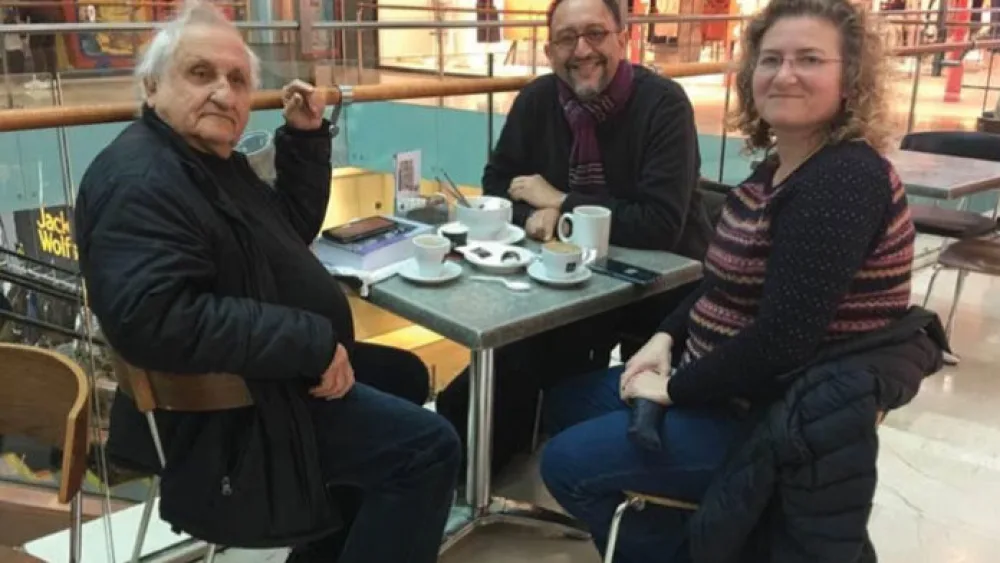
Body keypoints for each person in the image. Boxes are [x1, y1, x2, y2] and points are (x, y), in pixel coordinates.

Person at [539, 0, 943, 561]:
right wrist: (665, 337)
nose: (785, 74)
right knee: (564, 403)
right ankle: (701, 520)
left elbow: (782, 343)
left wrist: (674, 389)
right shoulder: (781, 167)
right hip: (717, 385)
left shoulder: (845, 180)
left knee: (566, 464)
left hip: (767, 415)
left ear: (850, 80)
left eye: (809, 59)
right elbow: (720, 279)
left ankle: (697, 545)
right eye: (770, 59)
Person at [73, 3, 459, 562]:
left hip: (259, 381)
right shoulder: (142, 181)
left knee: (404, 374)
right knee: (429, 450)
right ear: (152, 86)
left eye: (238, 80)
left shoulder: (200, 160)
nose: (225, 94)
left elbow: (281, 234)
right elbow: (156, 320)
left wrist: (304, 140)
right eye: (201, 73)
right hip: (229, 418)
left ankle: (327, 547)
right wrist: (309, 341)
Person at [435, 0, 713, 475]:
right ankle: (474, 477)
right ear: (549, 51)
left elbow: (658, 223)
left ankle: (578, 454)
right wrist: (535, 214)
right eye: (567, 38)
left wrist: (561, 201)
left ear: (623, 38)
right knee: (481, 396)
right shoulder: (537, 100)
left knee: (586, 396)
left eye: (595, 34)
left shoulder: (663, 105)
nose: (582, 50)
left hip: (660, 291)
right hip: (564, 283)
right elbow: (498, 184)